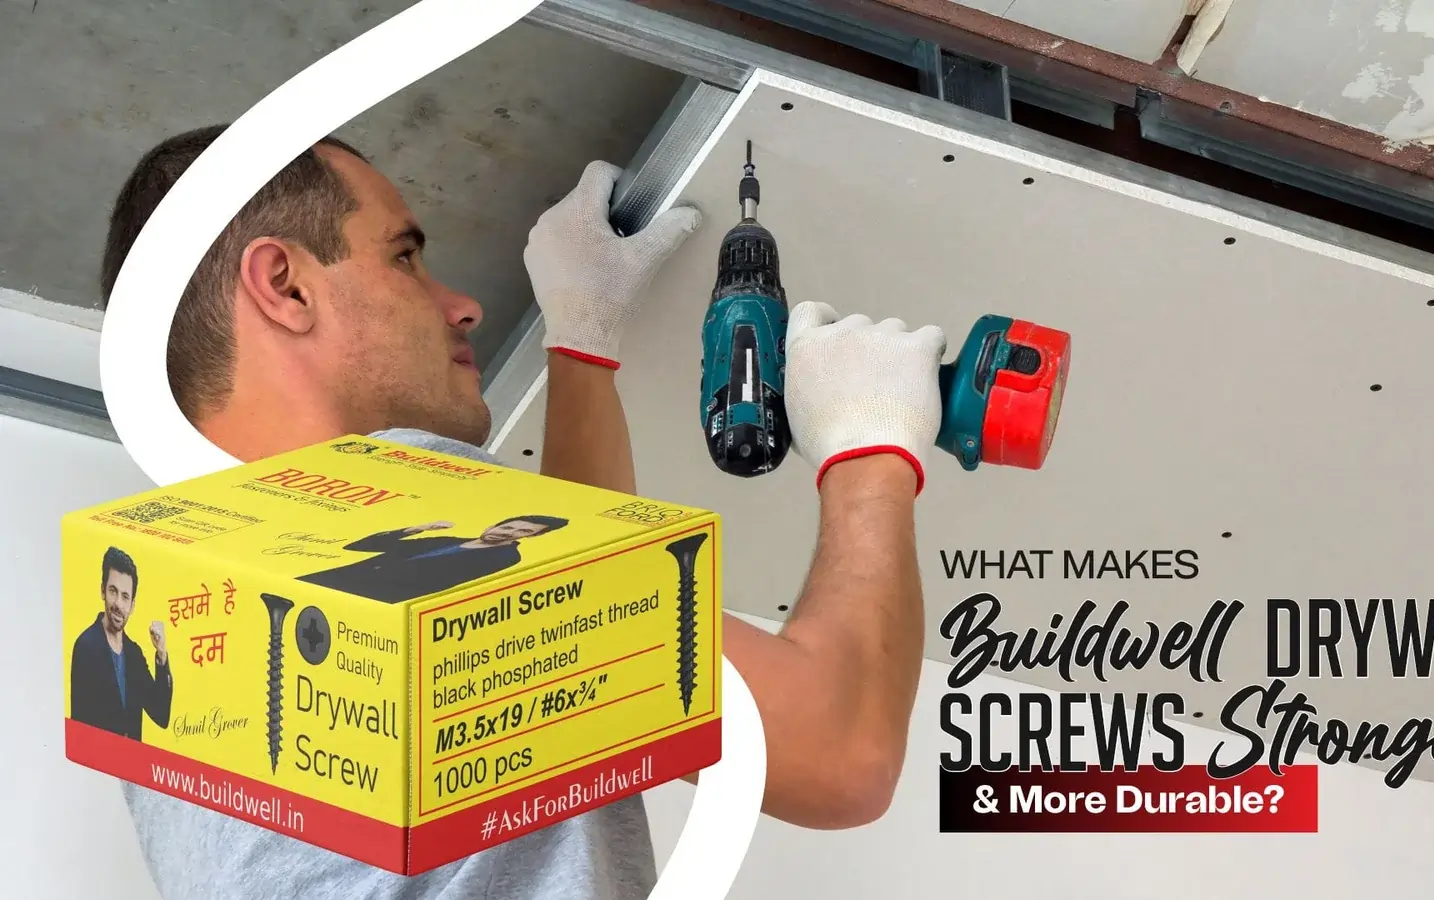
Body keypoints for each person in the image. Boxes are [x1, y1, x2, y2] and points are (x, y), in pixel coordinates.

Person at [99, 124, 946, 900]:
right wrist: (872, 446)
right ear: (284, 286)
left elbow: (567, 629)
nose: (460, 304)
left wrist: (582, 343)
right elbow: (843, 751)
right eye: (402, 258)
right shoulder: (397, 512)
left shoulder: (174, 617)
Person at [295, 514, 569, 602]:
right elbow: (360, 547)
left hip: (370, 601)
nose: (508, 533)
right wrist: (415, 529)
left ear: (532, 537)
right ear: (494, 525)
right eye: (507, 526)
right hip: (327, 581)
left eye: (524, 531)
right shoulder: (445, 539)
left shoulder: (506, 559)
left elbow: (439, 587)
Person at [69, 546, 174, 741]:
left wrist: (161, 654)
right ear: (102, 591)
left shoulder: (134, 654)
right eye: (113, 591)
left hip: (132, 767)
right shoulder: (85, 647)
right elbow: (80, 731)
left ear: (132, 605)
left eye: (125, 596)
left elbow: (161, 715)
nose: (118, 603)